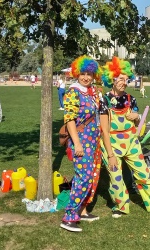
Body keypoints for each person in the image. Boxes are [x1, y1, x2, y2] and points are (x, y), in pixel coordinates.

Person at [99, 56, 150, 220]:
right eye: (121, 78)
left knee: (144, 173)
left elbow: (139, 124)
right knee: (115, 177)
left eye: (126, 79)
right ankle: (120, 206)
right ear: (112, 79)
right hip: (112, 143)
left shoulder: (130, 99)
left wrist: (136, 117)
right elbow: (104, 130)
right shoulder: (104, 100)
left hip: (131, 142)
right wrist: (110, 154)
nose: (124, 82)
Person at [60, 55, 106, 233]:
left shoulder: (92, 91)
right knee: (83, 178)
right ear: (77, 73)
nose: (86, 77)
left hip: (93, 142)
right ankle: (69, 216)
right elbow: (70, 119)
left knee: (91, 176)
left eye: (89, 74)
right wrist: (77, 144)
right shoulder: (73, 92)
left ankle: (82, 210)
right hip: (81, 143)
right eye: (83, 73)